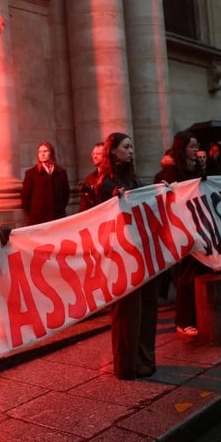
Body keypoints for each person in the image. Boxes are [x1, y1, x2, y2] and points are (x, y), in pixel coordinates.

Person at [96, 133, 159, 378]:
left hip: (141, 251)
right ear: (113, 151)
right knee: (127, 314)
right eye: (126, 147)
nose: (131, 151)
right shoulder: (106, 182)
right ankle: (126, 365)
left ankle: (145, 360)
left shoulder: (133, 178)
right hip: (121, 256)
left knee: (146, 310)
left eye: (132, 146)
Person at [158, 131, 207, 337]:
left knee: (199, 272)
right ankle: (184, 320)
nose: (196, 150)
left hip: (199, 224)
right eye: (192, 146)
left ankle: (199, 316)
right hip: (182, 227)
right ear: (182, 148)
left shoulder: (197, 167)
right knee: (185, 276)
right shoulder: (173, 170)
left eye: (197, 146)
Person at [20, 141, 70, 225]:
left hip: (57, 218)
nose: (42, 154)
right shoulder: (31, 173)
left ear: (51, 153)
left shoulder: (61, 172)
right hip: (38, 219)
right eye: (40, 152)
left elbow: (65, 194)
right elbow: (25, 197)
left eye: (45, 151)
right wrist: (35, 212)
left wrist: (58, 208)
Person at [78, 142, 105, 212]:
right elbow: (83, 204)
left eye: (98, 154)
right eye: (93, 154)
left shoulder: (112, 176)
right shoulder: (89, 178)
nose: (94, 156)